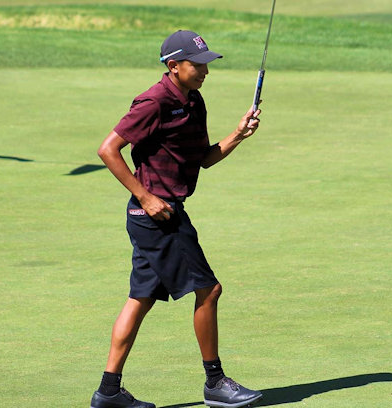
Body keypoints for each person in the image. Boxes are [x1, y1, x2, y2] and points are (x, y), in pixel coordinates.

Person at [91, 30, 263, 408]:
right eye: (197, 64)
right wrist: (145, 196)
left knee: (140, 299)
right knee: (210, 289)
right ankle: (215, 383)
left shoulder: (194, 101)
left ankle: (108, 392)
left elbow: (203, 157)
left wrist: (238, 134)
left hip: (163, 211)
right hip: (157, 215)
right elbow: (108, 150)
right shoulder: (153, 101)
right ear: (173, 66)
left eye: (206, 64)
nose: (204, 71)